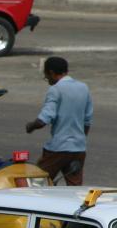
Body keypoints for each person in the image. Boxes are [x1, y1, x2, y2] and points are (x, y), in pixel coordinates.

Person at [25, 56, 93, 186]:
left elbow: (43, 119)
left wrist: (31, 126)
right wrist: (79, 140)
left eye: (46, 76)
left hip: (58, 148)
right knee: (75, 187)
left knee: (37, 182)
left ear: (51, 72)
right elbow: (87, 120)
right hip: (78, 149)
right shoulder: (84, 88)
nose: (47, 79)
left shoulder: (56, 90)